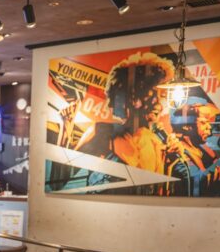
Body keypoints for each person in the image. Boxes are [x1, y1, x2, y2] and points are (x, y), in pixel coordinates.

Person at [75, 51, 176, 188]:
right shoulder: (101, 131)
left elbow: (159, 194)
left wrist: (170, 166)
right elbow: (61, 178)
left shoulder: (156, 144)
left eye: (162, 95)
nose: (158, 103)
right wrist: (65, 129)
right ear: (132, 96)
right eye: (153, 94)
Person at [165, 102, 220, 196]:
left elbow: (218, 175)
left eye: (208, 122)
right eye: (203, 122)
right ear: (186, 126)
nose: (209, 127)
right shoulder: (178, 151)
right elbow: (200, 185)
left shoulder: (200, 147)